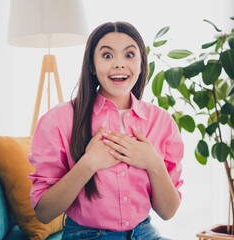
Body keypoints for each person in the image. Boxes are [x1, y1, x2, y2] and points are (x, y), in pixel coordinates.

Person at [28, 21, 184, 240]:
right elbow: (44, 213)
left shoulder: (162, 122)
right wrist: (88, 163)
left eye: (129, 55)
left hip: (144, 233)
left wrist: (153, 163)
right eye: (107, 56)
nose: (119, 64)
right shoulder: (58, 120)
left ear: (141, 63)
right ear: (91, 64)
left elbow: (168, 212)